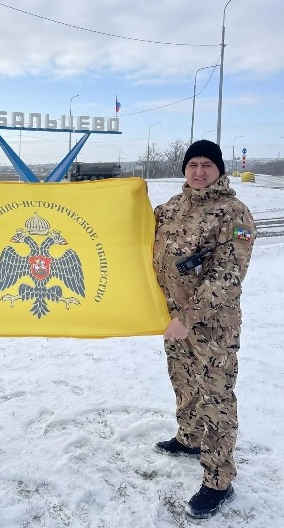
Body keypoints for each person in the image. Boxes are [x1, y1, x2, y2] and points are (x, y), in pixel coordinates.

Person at [152, 140, 256, 520]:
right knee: (184, 383)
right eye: (192, 164)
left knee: (215, 399)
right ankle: (190, 438)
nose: (198, 171)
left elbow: (227, 277)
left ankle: (218, 481)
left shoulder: (233, 213)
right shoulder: (170, 208)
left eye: (206, 165)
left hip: (213, 327)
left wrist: (188, 317)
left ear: (219, 170)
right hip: (174, 322)